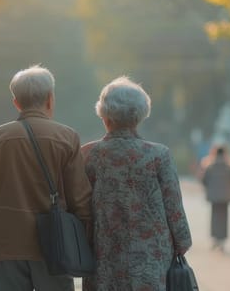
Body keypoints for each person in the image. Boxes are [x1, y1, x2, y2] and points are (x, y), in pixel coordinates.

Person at [0, 65, 92, 290]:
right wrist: (89, 246)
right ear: (50, 99)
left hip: (4, 245)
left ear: (16, 102)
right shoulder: (66, 138)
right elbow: (80, 200)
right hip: (55, 247)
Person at [81, 76, 192, 291]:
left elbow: (79, 205)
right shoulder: (159, 155)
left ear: (104, 116)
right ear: (140, 116)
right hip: (151, 260)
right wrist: (182, 242)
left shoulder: (88, 155)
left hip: (103, 257)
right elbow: (174, 208)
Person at [201, 145, 230, 251]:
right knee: (224, 218)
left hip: (214, 196)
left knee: (214, 217)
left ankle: (215, 239)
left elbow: (204, 181)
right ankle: (222, 240)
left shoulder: (210, 166)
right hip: (226, 196)